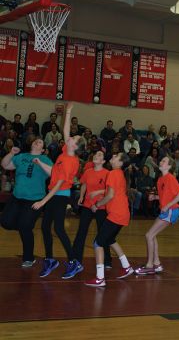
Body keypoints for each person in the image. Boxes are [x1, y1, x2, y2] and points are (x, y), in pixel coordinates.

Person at [32, 103, 83, 278]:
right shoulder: (65, 153)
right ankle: (50, 260)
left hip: (60, 195)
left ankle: (73, 262)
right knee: (46, 227)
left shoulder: (70, 161)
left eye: (74, 139)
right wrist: (68, 112)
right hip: (55, 193)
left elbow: (59, 184)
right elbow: (54, 172)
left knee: (59, 229)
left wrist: (43, 201)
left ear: (75, 147)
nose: (70, 137)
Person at [0, 139, 52, 267]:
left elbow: (53, 173)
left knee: (25, 227)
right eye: (36, 141)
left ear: (43, 149)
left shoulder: (45, 159)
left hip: (34, 199)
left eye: (40, 142)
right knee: (5, 222)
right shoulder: (22, 156)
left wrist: (39, 162)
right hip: (17, 197)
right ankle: (25, 225)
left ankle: (29, 258)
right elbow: (5, 165)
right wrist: (11, 153)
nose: (37, 142)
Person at [84, 152, 134, 287]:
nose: (113, 156)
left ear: (120, 163)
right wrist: (100, 195)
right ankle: (127, 266)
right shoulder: (119, 174)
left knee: (98, 243)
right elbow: (112, 193)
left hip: (116, 214)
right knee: (110, 240)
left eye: (116, 156)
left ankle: (100, 278)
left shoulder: (113, 173)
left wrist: (97, 204)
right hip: (122, 214)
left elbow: (110, 195)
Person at [65, 150, 112, 279]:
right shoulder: (88, 172)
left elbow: (109, 190)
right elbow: (84, 184)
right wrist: (81, 196)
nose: (97, 156)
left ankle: (107, 260)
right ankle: (76, 259)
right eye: (96, 154)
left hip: (101, 207)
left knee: (103, 234)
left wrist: (97, 193)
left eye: (100, 155)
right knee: (81, 232)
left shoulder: (107, 174)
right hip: (87, 206)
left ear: (103, 161)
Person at [135, 156, 179, 275]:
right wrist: (156, 197)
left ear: (169, 166)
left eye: (164, 161)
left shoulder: (170, 178)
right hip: (166, 211)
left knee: (149, 235)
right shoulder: (160, 179)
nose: (161, 161)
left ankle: (149, 265)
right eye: (161, 160)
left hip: (171, 211)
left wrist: (167, 206)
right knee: (152, 236)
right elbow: (167, 196)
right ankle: (156, 264)